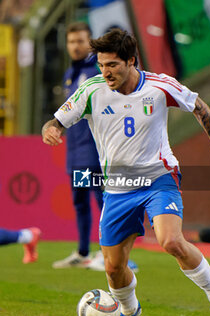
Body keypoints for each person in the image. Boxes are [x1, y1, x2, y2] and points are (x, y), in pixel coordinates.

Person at [42, 28, 210, 316]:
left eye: (112, 65)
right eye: (101, 65)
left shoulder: (160, 86)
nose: (105, 72)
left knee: (171, 240)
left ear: (131, 61)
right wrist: (52, 129)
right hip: (117, 189)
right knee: (112, 267)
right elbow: (57, 120)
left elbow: (200, 107)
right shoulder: (91, 90)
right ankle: (129, 308)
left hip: (158, 179)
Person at [52, 22, 138, 273]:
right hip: (76, 153)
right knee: (80, 201)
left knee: (104, 202)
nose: (75, 46)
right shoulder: (71, 72)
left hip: (94, 152)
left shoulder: (99, 73)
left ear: (91, 43)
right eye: (71, 41)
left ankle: (112, 254)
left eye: (80, 41)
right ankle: (82, 252)